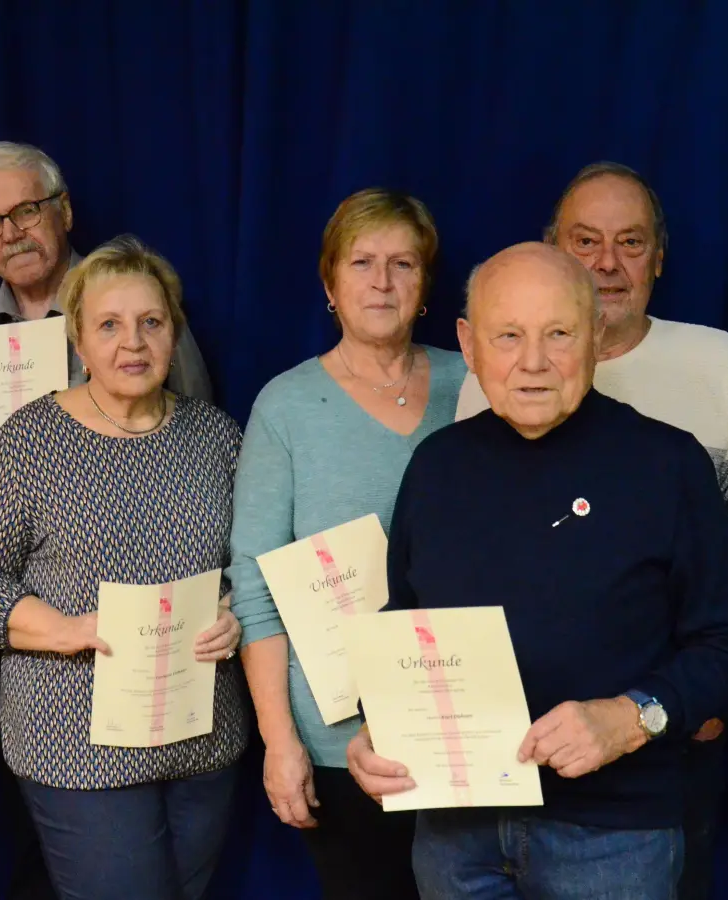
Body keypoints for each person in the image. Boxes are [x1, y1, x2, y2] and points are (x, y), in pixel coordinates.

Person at [348, 242, 728, 900]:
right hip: (455, 836)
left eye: (559, 333)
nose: (534, 363)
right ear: (469, 342)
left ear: (597, 335)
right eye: (508, 336)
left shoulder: (667, 466)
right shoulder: (437, 467)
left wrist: (633, 717)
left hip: (614, 837)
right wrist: (382, 727)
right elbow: (404, 625)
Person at [458, 162, 728, 899]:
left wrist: (691, 704)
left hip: (655, 759)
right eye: (585, 240)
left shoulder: (715, 366)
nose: (607, 262)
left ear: (659, 257)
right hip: (499, 773)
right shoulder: (478, 400)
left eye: (630, 242)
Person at [0, 235, 246, 900]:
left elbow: (247, 571)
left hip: (203, 738)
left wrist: (234, 616)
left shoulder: (217, 437)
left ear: (174, 334)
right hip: (75, 745)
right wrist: (68, 630)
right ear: (78, 341)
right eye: (109, 325)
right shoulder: (30, 440)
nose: (131, 343)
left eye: (151, 322)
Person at [228, 188, 468, 899]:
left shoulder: (479, 381)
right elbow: (257, 586)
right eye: (362, 262)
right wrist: (280, 743)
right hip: (339, 736)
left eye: (403, 263)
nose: (383, 281)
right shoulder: (286, 406)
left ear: (426, 282)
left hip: (462, 714)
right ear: (330, 282)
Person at [0, 141, 212, 408]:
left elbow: (194, 421)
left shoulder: (139, 298)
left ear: (65, 211)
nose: (11, 234)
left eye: (26, 211)